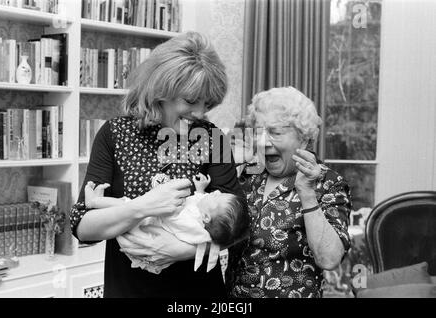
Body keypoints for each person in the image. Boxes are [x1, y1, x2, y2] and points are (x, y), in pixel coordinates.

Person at [70, 31, 247, 298]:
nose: (200, 113)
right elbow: (83, 228)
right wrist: (144, 206)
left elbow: (240, 225)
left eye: (207, 103)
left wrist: (182, 249)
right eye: (190, 101)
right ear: (161, 90)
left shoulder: (211, 138)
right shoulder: (115, 134)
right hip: (129, 291)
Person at [231, 87, 352, 298]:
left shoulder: (327, 182)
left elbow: (329, 259)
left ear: (304, 138)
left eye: (275, 133)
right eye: (259, 132)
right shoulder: (249, 175)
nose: (263, 142)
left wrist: (306, 193)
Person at [83, 173, 248, 275]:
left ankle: (94, 201)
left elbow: (176, 217)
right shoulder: (203, 212)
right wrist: (200, 190)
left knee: (125, 204)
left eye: (217, 197)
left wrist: (162, 196)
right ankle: (99, 202)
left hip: (145, 228)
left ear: (205, 218)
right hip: (144, 235)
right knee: (124, 209)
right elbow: (199, 202)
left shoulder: (190, 222)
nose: (217, 191)